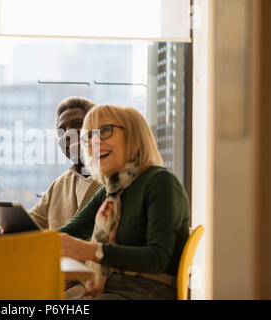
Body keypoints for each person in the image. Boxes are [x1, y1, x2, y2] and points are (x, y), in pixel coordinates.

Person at [59, 104, 190, 300]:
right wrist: (17, 235)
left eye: (105, 131)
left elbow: (157, 259)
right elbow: (69, 232)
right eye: (89, 137)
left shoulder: (161, 182)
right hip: (112, 291)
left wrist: (88, 250)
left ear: (133, 135)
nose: (94, 142)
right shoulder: (111, 190)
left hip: (148, 293)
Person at [28, 97, 102, 230]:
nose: (67, 134)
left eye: (77, 124)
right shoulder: (58, 185)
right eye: (61, 131)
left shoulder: (116, 178)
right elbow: (28, 223)